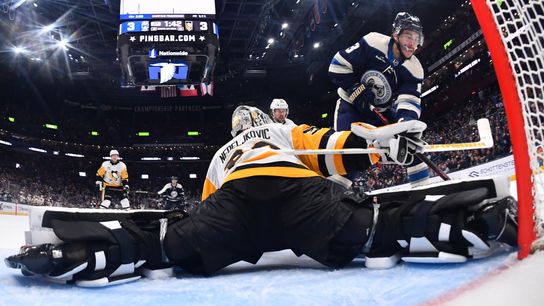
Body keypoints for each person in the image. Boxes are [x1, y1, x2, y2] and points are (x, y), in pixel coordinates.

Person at [6, 106, 517, 287]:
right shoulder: (280, 133)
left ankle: (82, 249)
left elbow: (201, 210)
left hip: (233, 208)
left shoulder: (219, 156)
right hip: (302, 198)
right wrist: (378, 148)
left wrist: (174, 234)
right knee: (378, 224)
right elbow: (329, 149)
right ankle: (472, 219)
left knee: (164, 243)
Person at [328, 12, 430, 186]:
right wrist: (355, 89)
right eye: (408, 36)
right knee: (348, 153)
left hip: (379, 111)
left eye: (416, 38)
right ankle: (334, 199)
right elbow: (337, 65)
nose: (412, 43)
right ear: (396, 34)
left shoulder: (415, 69)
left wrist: (405, 124)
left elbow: (409, 101)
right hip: (350, 105)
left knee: (410, 147)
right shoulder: (372, 42)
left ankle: (424, 191)